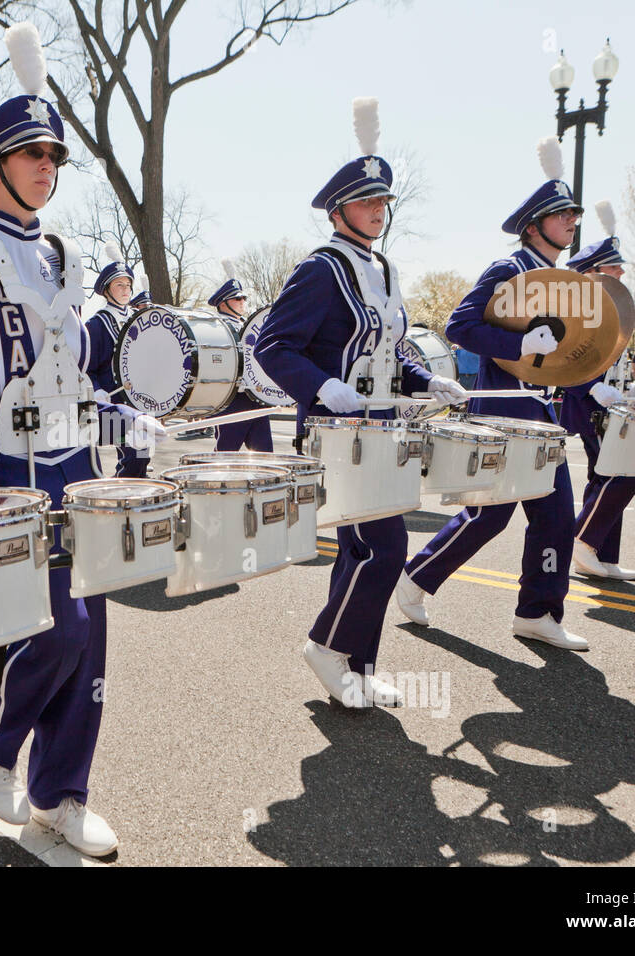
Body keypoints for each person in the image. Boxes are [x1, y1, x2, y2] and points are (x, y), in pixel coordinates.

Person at [0, 22, 166, 857]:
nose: (46, 166)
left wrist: (122, 412)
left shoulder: (61, 257)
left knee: (91, 641)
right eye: (30, 155)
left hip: (73, 472)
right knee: (57, 629)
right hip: (2, 481)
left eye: (53, 155)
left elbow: (81, 370)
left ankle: (63, 792)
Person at [255, 97, 467, 708]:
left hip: (381, 426)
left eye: (383, 203)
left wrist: (426, 381)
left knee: (361, 548)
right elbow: (272, 345)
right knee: (385, 545)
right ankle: (326, 646)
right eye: (367, 201)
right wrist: (325, 388)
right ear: (339, 208)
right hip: (336, 432)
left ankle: (358, 665)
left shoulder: (386, 271)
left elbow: (389, 351)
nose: (377, 211)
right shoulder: (320, 269)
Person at [396, 137, 587, 651]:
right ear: (534, 225)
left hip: (544, 414)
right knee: (491, 514)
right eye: (562, 214)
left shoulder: (565, 280)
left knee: (555, 517)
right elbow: (460, 325)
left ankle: (537, 612)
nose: (573, 220)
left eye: (575, 213)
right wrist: (518, 342)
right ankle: (415, 577)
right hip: (502, 412)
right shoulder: (508, 270)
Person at [559, 201, 635, 580]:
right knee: (620, 471)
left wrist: (632, 388)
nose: (621, 272)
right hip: (586, 403)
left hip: (610, 402)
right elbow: (567, 358)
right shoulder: (575, 307)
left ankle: (601, 554)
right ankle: (584, 540)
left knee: (610, 473)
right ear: (592, 272)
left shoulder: (611, 306)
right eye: (613, 266)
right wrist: (595, 388)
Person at [84, 241, 149, 477]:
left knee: (143, 456)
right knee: (132, 455)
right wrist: (96, 389)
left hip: (139, 401)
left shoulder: (138, 319)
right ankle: (122, 497)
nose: (125, 289)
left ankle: (137, 492)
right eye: (119, 284)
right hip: (114, 403)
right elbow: (85, 367)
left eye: (128, 285)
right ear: (106, 289)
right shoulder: (97, 324)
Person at [209, 259, 274, 453]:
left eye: (244, 298)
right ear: (223, 303)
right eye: (238, 299)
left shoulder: (249, 324)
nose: (242, 302)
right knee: (226, 451)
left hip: (256, 395)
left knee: (264, 452)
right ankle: (214, 483)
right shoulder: (217, 325)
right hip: (233, 398)